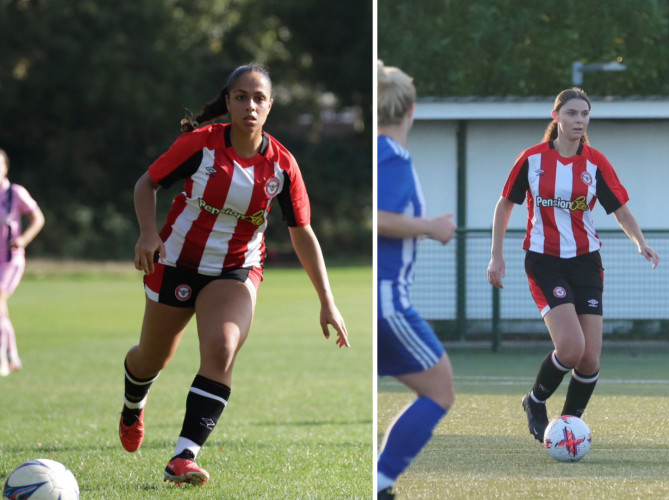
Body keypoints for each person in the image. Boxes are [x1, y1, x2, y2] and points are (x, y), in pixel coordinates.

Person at [117, 63, 350, 487]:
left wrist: (327, 300)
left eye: (259, 98)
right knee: (152, 359)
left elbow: (302, 233)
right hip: (175, 263)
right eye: (241, 97)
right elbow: (145, 185)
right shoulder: (200, 146)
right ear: (227, 102)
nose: (250, 105)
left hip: (235, 269)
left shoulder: (282, 166)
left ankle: (183, 457)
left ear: (270, 107)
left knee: (223, 347)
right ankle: (134, 401)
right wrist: (147, 234)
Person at [486, 88, 660, 443]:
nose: (579, 120)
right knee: (570, 348)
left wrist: (640, 242)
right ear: (556, 117)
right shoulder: (532, 159)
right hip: (544, 261)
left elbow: (620, 210)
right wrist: (496, 255)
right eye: (571, 114)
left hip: (586, 262)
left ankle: (568, 427)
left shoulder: (595, 163)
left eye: (584, 114)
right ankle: (535, 401)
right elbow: (505, 206)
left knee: (590, 359)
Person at [376, 61, 456, 500]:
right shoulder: (390, 154)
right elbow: (379, 219)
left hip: (379, 299)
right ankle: (380, 483)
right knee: (440, 390)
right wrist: (431, 227)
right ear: (412, 109)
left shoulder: (382, 153)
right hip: (386, 301)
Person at [0, 149, 45, 377]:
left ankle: (3, 358)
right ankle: (12, 355)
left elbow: (38, 218)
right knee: (1, 309)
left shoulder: (14, 193)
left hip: (10, 260)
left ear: (5, 167)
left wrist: (23, 239)